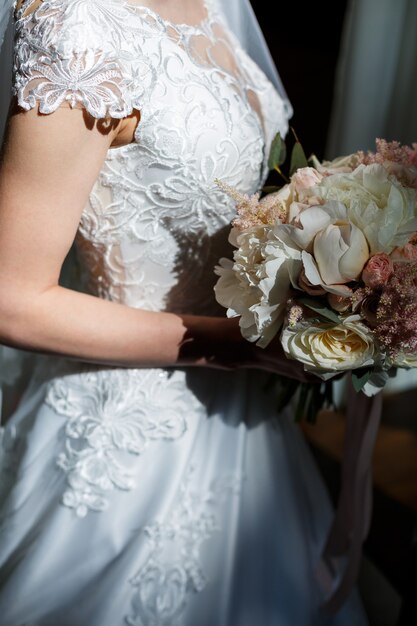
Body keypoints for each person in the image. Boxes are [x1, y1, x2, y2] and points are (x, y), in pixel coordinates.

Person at [0, 1, 368, 624]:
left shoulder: (214, 6)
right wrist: (232, 345)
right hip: (126, 418)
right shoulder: (77, 25)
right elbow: (11, 300)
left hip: (247, 413)